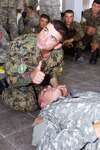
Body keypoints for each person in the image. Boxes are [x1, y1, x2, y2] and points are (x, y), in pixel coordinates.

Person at [2, 20, 67, 112]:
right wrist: (31, 76)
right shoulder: (19, 45)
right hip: (16, 80)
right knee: (26, 103)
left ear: (57, 45)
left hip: (39, 82)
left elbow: (54, 72)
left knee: (56, 97)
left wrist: (56, 87)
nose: (43, 39)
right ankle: (3, 91)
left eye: (52, 38)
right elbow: (11, 79)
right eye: (45, 30)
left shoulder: (58, 53)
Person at [32, 86, 100, 149]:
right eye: (44, 91)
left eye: (49, 86)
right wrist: (92, 130)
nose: (49, 86)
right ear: (43, 104)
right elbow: (45, 146)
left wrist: (64, 95)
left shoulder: (75, 94)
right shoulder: (44, 115)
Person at [80, 0, 100, 64]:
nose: (95, 8)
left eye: (98, 6)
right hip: (88, 34)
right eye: (94, 5)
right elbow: (82, 24)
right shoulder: (86, 12)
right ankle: (93, 51)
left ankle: (95, 49)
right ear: (91, 5)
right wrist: (88, 28)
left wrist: (95, 30)